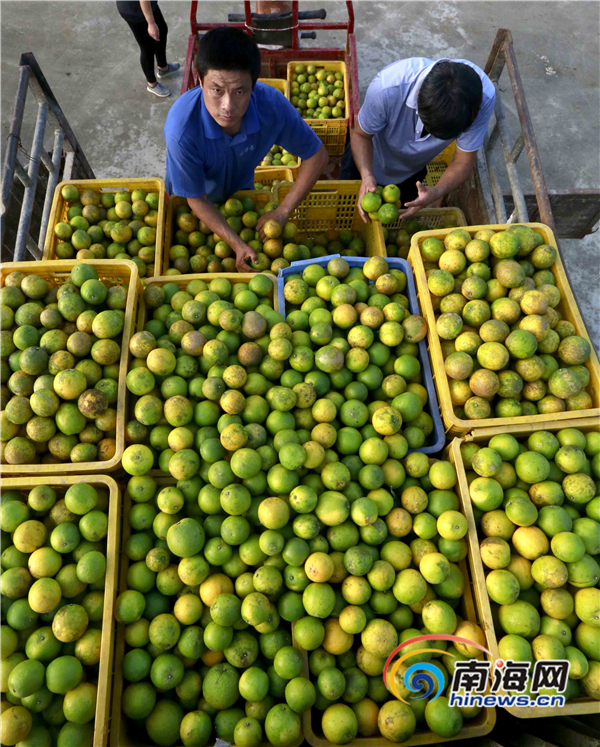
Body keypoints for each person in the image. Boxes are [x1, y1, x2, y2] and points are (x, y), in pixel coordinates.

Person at [164, 27, 329, 272]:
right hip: (191, 202)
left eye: (240, 91)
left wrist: (283, 211)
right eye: (217, 90)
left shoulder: (271, 107)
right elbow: (196, 199)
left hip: (241, 199)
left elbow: (317, 156)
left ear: (254, 84)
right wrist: (237, 244)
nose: (227, 106)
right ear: (199, 80)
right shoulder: (182, 128)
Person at [341, 58, 495, 221]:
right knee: (344, 215)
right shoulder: (388, 88)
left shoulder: (479, 101)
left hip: (410, 173)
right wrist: (366, 175)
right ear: (418, 93)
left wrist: (437, 191)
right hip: (365, 161)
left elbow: (463, 161)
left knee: (393, 222)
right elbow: (360, 135)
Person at [117, 1, 180, 97]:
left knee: (162, 31)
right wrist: (151, 23)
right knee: (147, 46)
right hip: (135, 10)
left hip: (147, 5)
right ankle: (152, 84)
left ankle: (163, 67)